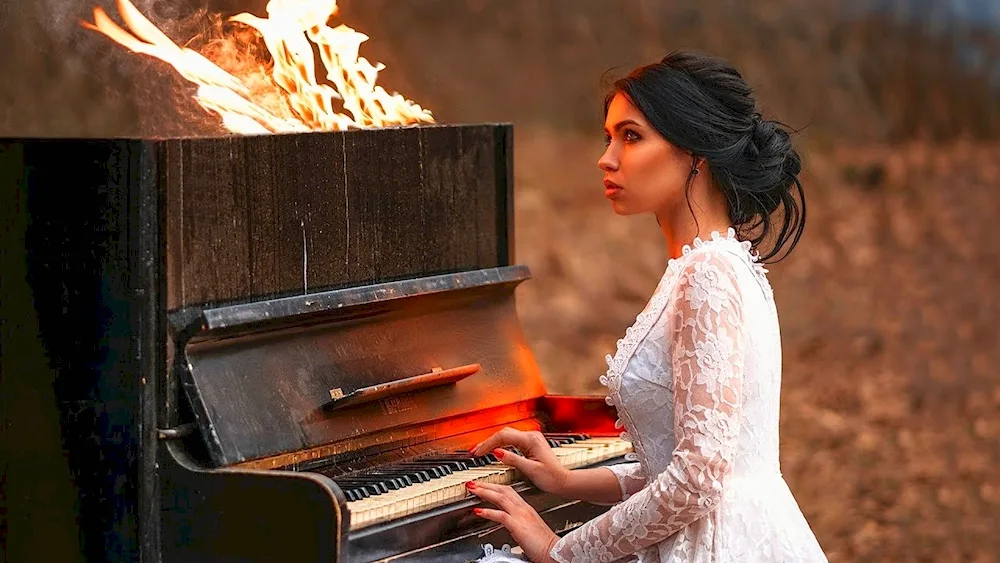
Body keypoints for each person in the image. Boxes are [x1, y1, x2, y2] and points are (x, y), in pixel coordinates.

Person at [465, 50, 829, 562]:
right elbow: (688, 465)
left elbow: (698, 479)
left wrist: (559, 551)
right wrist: (568, 480)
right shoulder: (718, 265)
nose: (607, 158)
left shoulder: (708, 276)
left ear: (695, 153)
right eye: (609, 136)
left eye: (631, 136)